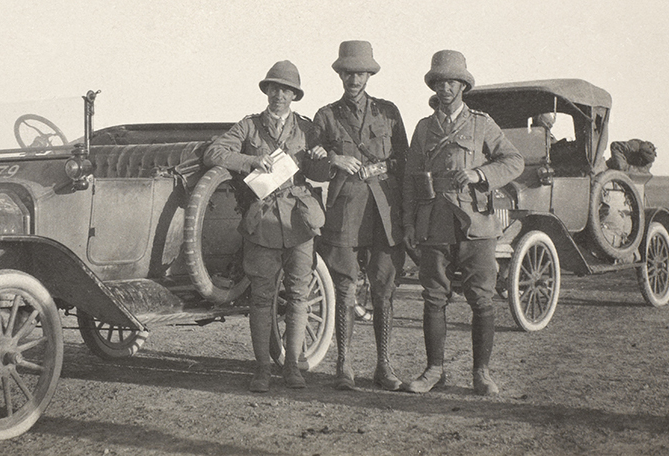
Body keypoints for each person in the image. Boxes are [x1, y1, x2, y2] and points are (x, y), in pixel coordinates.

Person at [401, 50, 524, 395]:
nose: (445, 88)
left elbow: (513, 161)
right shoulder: (424, 128)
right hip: (434, 221)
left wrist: (479, 173)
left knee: (482, 300)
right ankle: (433, 371)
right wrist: (409, 222)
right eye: (439, 82)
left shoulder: (482, 123)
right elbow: (411, 179)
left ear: (463, 85)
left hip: (476, 224)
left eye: (451, 81)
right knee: (433, 298)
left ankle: (481, 374)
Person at [204, 60, 330, 392]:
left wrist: (319, 157)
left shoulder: (307, 129)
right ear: (267, 91)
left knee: (299, 295)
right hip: (263, 220)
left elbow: (322, 173)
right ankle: (262, 369)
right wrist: (249, 161)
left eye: (286, 90)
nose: (279, 96)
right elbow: (214, 152)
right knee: (261, 297)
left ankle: (292, 365)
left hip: (300, 220)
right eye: (274, 88)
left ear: (294, 95)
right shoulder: (248, 126)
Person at [310, 40, 409, 391]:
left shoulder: (389, 112)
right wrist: (334, 160)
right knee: (346, 287)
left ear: (369, 75)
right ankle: (344, 365)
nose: (354, 79)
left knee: (383, 287)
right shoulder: (325, 116)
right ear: (340, 75)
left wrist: (381, 165)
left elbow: (405, 161)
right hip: (345, 211)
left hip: (384, 211)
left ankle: (384, 365)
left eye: (361, 73)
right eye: (348, 73)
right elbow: (311, 165)